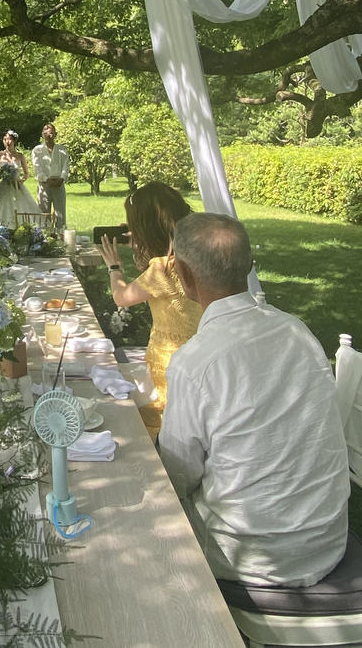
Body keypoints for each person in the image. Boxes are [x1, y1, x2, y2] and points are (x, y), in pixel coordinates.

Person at [158, 212, 349, 587]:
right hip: (326, 542)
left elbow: (177, 477)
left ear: (182, 274)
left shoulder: (195, 362)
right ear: (250, 266)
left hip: (249, 558)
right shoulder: (299, 332)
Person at [97, 182, 202, 437]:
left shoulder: (161, 270)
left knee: (171, 419)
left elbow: (122, 296)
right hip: (200, 352)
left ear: (146, 229)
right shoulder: (197, 256)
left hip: (170, 358)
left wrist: (114, 267)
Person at [0, 130, 37, 229]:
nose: (7, 141)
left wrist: (20, 181)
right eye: (5, 139)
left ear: (14, 141)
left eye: (10, 139)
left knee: (19, 206)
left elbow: (26, 174)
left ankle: (19, 227)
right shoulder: (0, 155)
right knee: (3, 205)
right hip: (4, 186)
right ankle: (2, 227)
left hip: (16, 186)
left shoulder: (20, 156)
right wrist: (2, 175)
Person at [31, 123, 70, 228]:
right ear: (42, 135)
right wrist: (46, 179)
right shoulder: (37, 150)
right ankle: (45, 237)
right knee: (44, 215)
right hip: (44, 185)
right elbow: (37, 167)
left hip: (59, 183)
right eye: (46, 132)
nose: (49, 135)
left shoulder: (62, 150)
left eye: (51, 132)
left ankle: (61, 237)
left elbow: (66, 166)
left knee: (60, 214)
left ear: (55, 134)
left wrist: (62, 178)